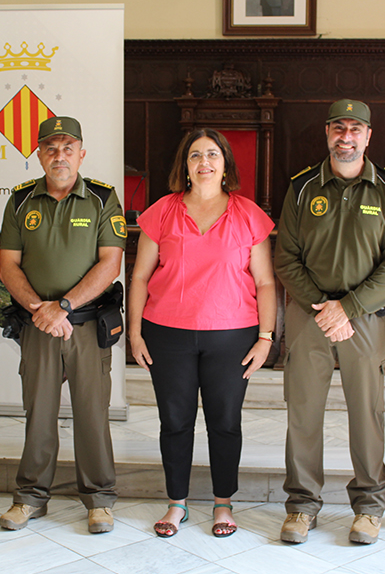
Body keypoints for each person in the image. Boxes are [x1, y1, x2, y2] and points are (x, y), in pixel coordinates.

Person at [273, 99, 385, 545]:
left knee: (366, 413)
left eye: (355, 129)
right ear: (327, 134)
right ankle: (301, 505)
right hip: (308, 315)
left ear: (368, 136)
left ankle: (369, 506)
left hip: (364, 319)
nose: (346, 137)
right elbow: (285, 256)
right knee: (303, 412)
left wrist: (347, 308)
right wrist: (323, 306)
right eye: (338, 128)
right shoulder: (301, 187)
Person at [129, 129, 276, 538]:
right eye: (196, 155)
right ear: (185, 165)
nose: (204, 162)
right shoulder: (161, 211)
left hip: (233, 337)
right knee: (174, 421)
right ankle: (176, 503)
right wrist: (136, 334)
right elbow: (140, 276)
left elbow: (265, 282)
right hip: (167, 334)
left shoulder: (249, 215)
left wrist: (266, 337)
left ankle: (223, 504)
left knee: (225, 422)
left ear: (226, 164)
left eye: (213, 155)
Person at [0, 116, 126, 534]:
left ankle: (100, 498)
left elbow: (111, 263)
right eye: (51, 147)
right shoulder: (19, 201)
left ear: (81, 153)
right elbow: (8, 264)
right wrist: (41, 309)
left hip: (86, 325)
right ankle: (31, 496)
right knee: (39, 411)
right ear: (38, 154)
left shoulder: (103, 199)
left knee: (92, 412)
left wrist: (65, 305)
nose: (59, 155)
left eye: (68, 147)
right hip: (39, 325)